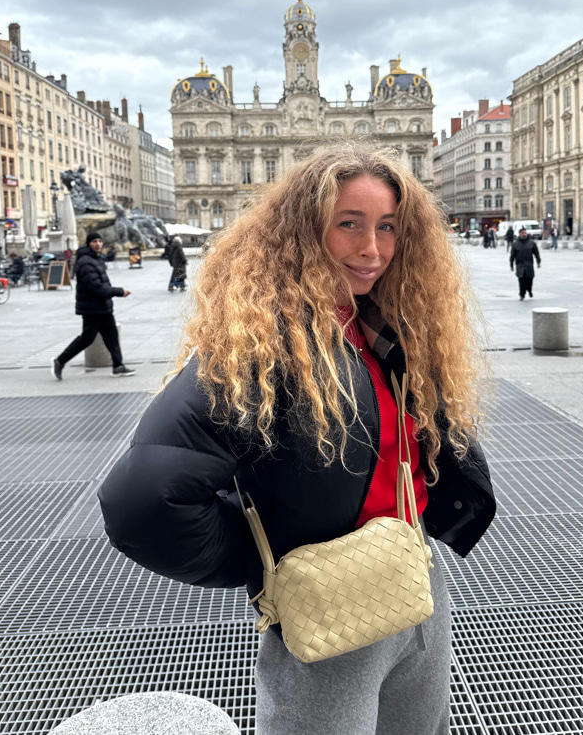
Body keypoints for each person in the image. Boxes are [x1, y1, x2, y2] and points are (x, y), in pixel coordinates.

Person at [98, 144, 496, 734]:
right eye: (349, 224)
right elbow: (144, 499)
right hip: (330, 605)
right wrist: (266, 561)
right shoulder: (261, 345)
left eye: (388, 226)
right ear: (304, 233)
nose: (373, 248)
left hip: (415, 579)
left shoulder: (385, 322)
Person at [51, 232, 135, 380]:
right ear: (89, 243)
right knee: (86, 339)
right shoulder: (86, 262)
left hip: (102, 306)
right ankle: (60, 361)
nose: (98, 244)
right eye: (95, 241)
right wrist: (119, 292)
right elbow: (96, 287)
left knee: (112, 336)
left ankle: (118, 366)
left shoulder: (96, 259)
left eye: (100, 241)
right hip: (92, 308)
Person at [510, 226, 541, 300]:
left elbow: (536, 253)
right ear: (519, 234)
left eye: (525, 233)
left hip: (529, 265)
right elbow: (512, 255)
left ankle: (529, 290)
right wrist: (511, 265)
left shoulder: (532, 243)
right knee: (521, 280)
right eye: (522, 233)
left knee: (530, 279)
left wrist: (538, 262)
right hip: (520, 265)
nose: (524, 234)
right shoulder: (515, 244)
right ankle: (522, 294)